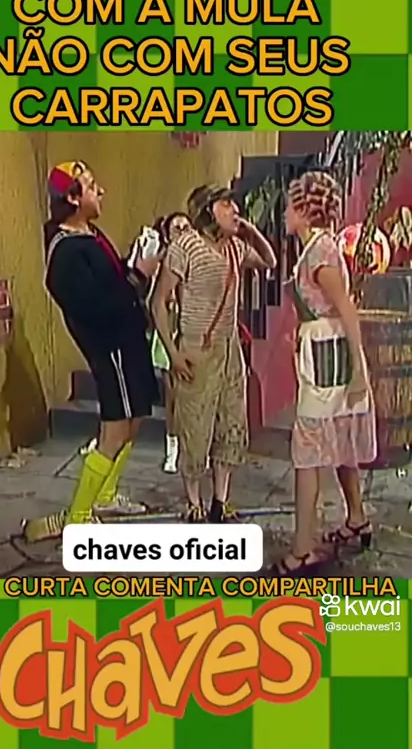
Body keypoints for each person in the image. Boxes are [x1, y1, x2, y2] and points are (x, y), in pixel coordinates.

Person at [22, 161, 161, 542]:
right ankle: (79, 517)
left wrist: (133, 265)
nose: (101, 192)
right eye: (91, 185)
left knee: (136, 417)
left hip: (129, 339)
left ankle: (105, 495)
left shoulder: (89, 234)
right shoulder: (65, 252)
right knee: (115, 427)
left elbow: (111, 282)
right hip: (110, 347)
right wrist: (139, 274)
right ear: (72, 198)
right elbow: (95, 306)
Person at [270, 171, 376, 576]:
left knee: (308, 451)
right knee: (338, 438)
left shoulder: (321, 253)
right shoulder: (315, 248)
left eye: (289, 206)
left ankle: (303, 550)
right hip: (323, 354)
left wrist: (358, 371)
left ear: (304, 210)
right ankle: (357, 518)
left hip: (330, 360)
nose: (284, 213)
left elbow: (346, 309)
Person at [152, 185, 277, 522]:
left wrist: (250, 231)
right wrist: (173, 353)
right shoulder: (186, 246)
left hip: (229, 347)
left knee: (230, 421)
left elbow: (270, 261)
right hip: (196, 347)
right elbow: (159, 302)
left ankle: (221, 500)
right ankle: (193, 501)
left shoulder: (235, 248)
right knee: (195, 424)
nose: (234, 209)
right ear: (208, 210)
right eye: (226, 204)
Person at [149, 212, 192, 473]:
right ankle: (172, 448)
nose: (183, 231)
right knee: (172, 395)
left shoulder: (198, 258)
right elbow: (155, 299)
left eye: (186, 227)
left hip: (193, 329)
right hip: (170, 328)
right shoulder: (162, 261)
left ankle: (193, 445)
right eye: (177, 228)